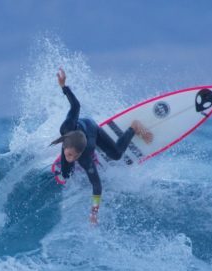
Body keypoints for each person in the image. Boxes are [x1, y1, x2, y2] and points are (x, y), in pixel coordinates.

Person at [51, 68, 152, 224]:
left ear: (80, 154)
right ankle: (68, 158)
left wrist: (94, 213)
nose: (69, 158)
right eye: (68, 153)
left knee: (117, 155)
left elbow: (97, 186)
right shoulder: (66, 127)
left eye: (73, 156)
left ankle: (134, 127)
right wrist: (64, 87)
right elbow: (76, 106)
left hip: (93, 130)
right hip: (78, 129)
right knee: (66, 173)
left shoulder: (85, 158)